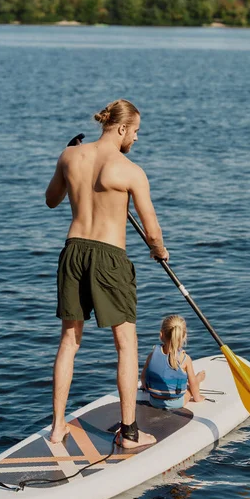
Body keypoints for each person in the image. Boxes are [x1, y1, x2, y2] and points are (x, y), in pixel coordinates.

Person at [45, 99, 169, 448]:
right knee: (125, 343)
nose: (136, 139)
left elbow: (51, 199)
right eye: (136, 132)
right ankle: (129, 433)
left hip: (73, 251)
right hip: (110, 257)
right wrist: (159, 252)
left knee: (69, 342)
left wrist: (68, 160)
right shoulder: (130, 171)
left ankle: (57, 427)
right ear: (121, 128)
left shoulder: (70, 156)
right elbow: (153, 231)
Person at [140, 315, 206, 409]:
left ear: (161, 334)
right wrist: (198, 398)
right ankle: (199, 378)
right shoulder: (185, 359)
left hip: (154, 401)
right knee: (191, 387)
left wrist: (144, 387)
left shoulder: (152, 355)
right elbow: (192, 384)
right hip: (177, 403)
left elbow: (143, 377)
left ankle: (198, 378)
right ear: (184, 336)